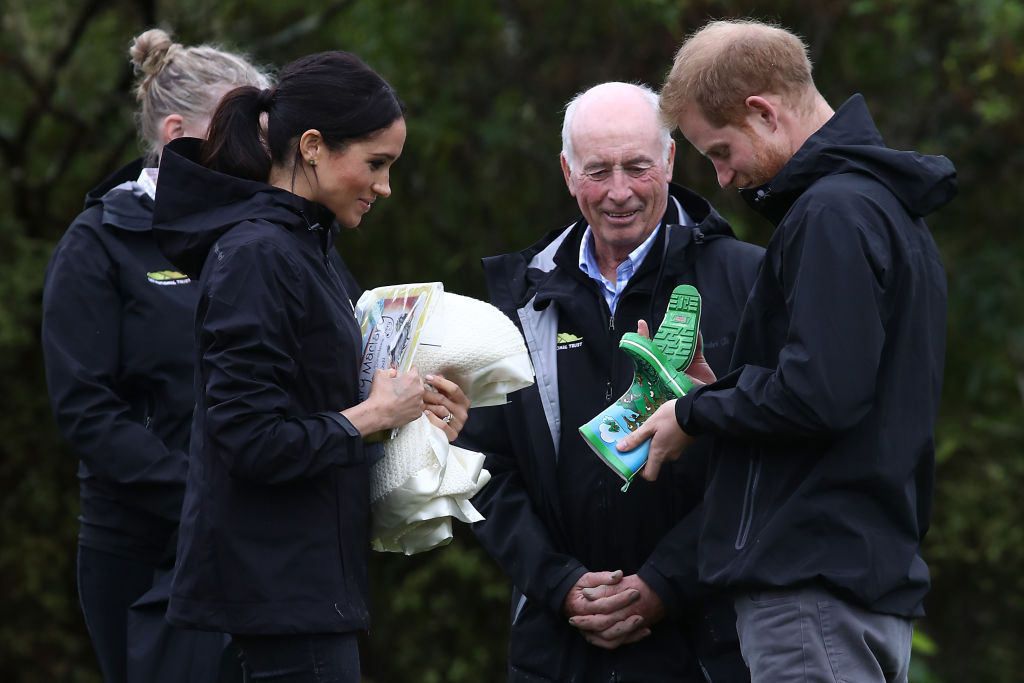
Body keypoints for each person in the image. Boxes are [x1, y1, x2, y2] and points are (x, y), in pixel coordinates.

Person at [619, 19, 958, 682]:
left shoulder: (832, 213)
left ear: (763, 113)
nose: (720, 178)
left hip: (813, 586)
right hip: (852, 579)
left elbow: (818, 392)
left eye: (719, 150)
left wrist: (695, 414)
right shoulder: (882, 208)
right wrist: (719, 392)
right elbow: (841, 383)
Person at [149, 51, 470, 682]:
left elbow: (318, 406)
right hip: (278, 595)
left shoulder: (306, 246)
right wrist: (371, 415)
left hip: (313, 585)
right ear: (314, 146)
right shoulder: (257, 254)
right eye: (375, 163)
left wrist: (415, 414)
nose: (384, 186)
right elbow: (247, 437)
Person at [460, 81, 763, 682]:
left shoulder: (748, 281)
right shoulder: (520, 299)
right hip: (557, 643)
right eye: (598, 171)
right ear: (568, 173)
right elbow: (482, 467)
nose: (619, 192)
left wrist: (664, 582)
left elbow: (770, 464)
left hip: (708, 641)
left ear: (671, 161)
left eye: (638, 167)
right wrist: (560, 583)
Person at [41, 28, 271, 683]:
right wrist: (203, 493)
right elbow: (86, 410)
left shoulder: (267, 237)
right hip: (143, 551)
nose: (262, 152)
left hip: (259, 544)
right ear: (176, 133)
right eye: (243, 132)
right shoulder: (97, 244)